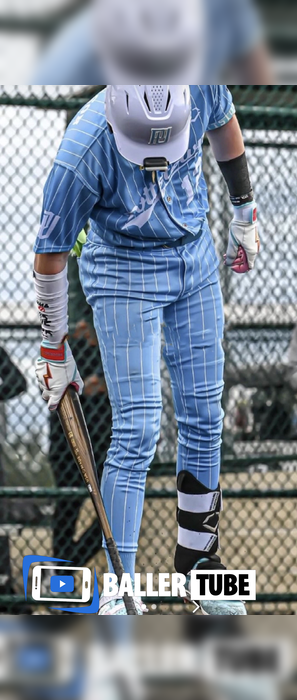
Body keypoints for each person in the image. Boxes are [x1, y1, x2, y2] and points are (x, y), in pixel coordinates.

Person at [33, 85, 260, 615]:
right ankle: (121, 587)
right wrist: (53, 351)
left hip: (194, 256)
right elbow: (49, 257)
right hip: (121, 269)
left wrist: (245, 212)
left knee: (205, 415)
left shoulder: (200, 81)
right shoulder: (82, 150)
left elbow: (225, 126)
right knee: (137, 426)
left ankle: (198, 564)